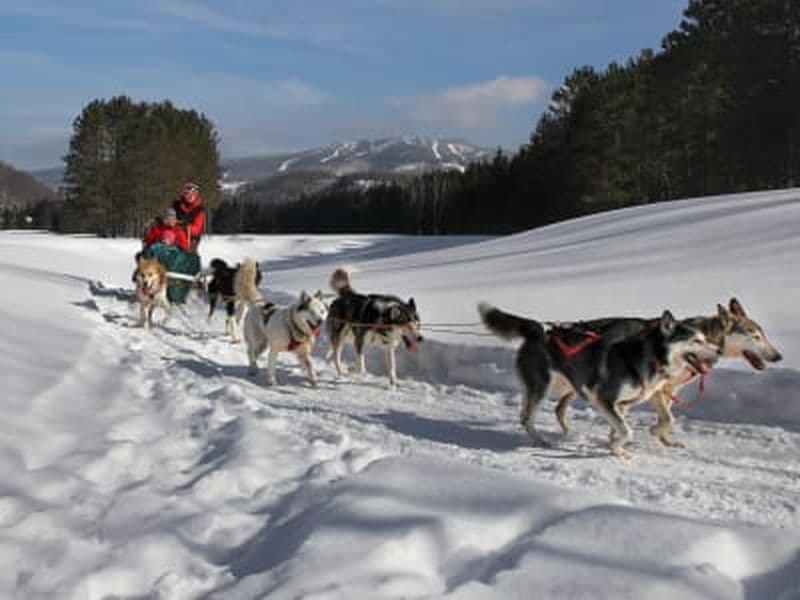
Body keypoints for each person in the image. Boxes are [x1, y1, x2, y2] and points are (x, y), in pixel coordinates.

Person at [172, 181, 205, 253]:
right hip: (175, 233)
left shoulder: (198, 210)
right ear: (184, 194)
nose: (190, 196)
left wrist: (185, 226)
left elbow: (197, 229)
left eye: (193, 194)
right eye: (187, 193)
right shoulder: (177, 205)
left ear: (196, 195)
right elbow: (170, 216)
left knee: (188, 252)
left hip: (191, 237)